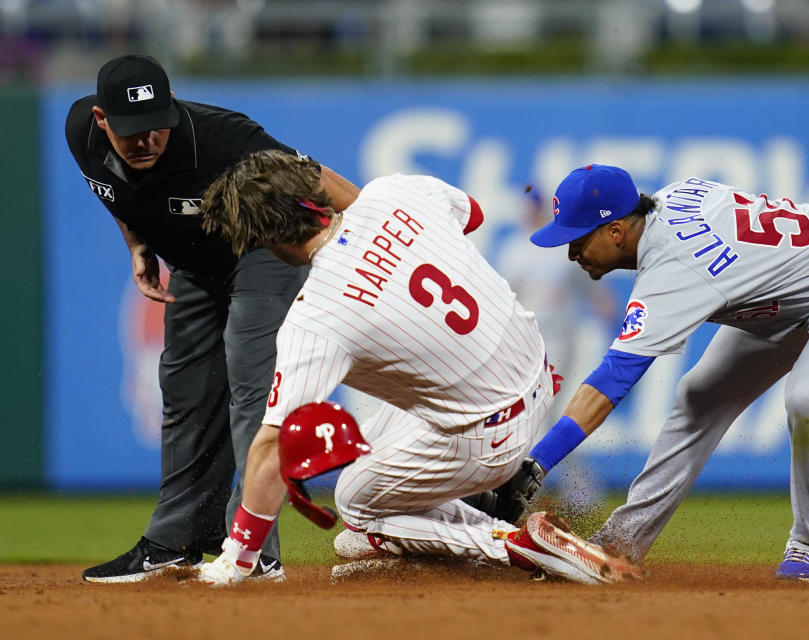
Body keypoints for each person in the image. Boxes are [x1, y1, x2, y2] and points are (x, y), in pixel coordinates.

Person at [193, 150, 642, 586]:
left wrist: (240, 555)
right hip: (533, 371)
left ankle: (512, 543)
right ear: (315, 195)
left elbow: (272, 447)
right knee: (364, 526)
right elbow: (473, 216)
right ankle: (430, 541)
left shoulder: (316, 318)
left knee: (355, 503)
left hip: (488, 434)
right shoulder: (395, 191)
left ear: (267, 239)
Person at [496, 164, 809, 583]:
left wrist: (538, 463)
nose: (571, 254)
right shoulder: (672, 197)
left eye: (578, 239)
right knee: (698, 396)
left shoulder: (672, 268)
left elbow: (613, 380)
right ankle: (621, 542)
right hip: (786, 299)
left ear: (617, 232)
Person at [65, 54, 360, 583]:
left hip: (262, 254)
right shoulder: (80, 135)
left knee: (252, 391)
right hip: (192, 267)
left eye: (156, 124)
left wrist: (386, 235)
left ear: (172, 103)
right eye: (130, 130)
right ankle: (173, 542)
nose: (146, 140)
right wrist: (138, 247)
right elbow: (118, 196)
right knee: (185, 391)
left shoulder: (223, 138)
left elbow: (324, 183)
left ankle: (253, 553)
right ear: (101, 119)